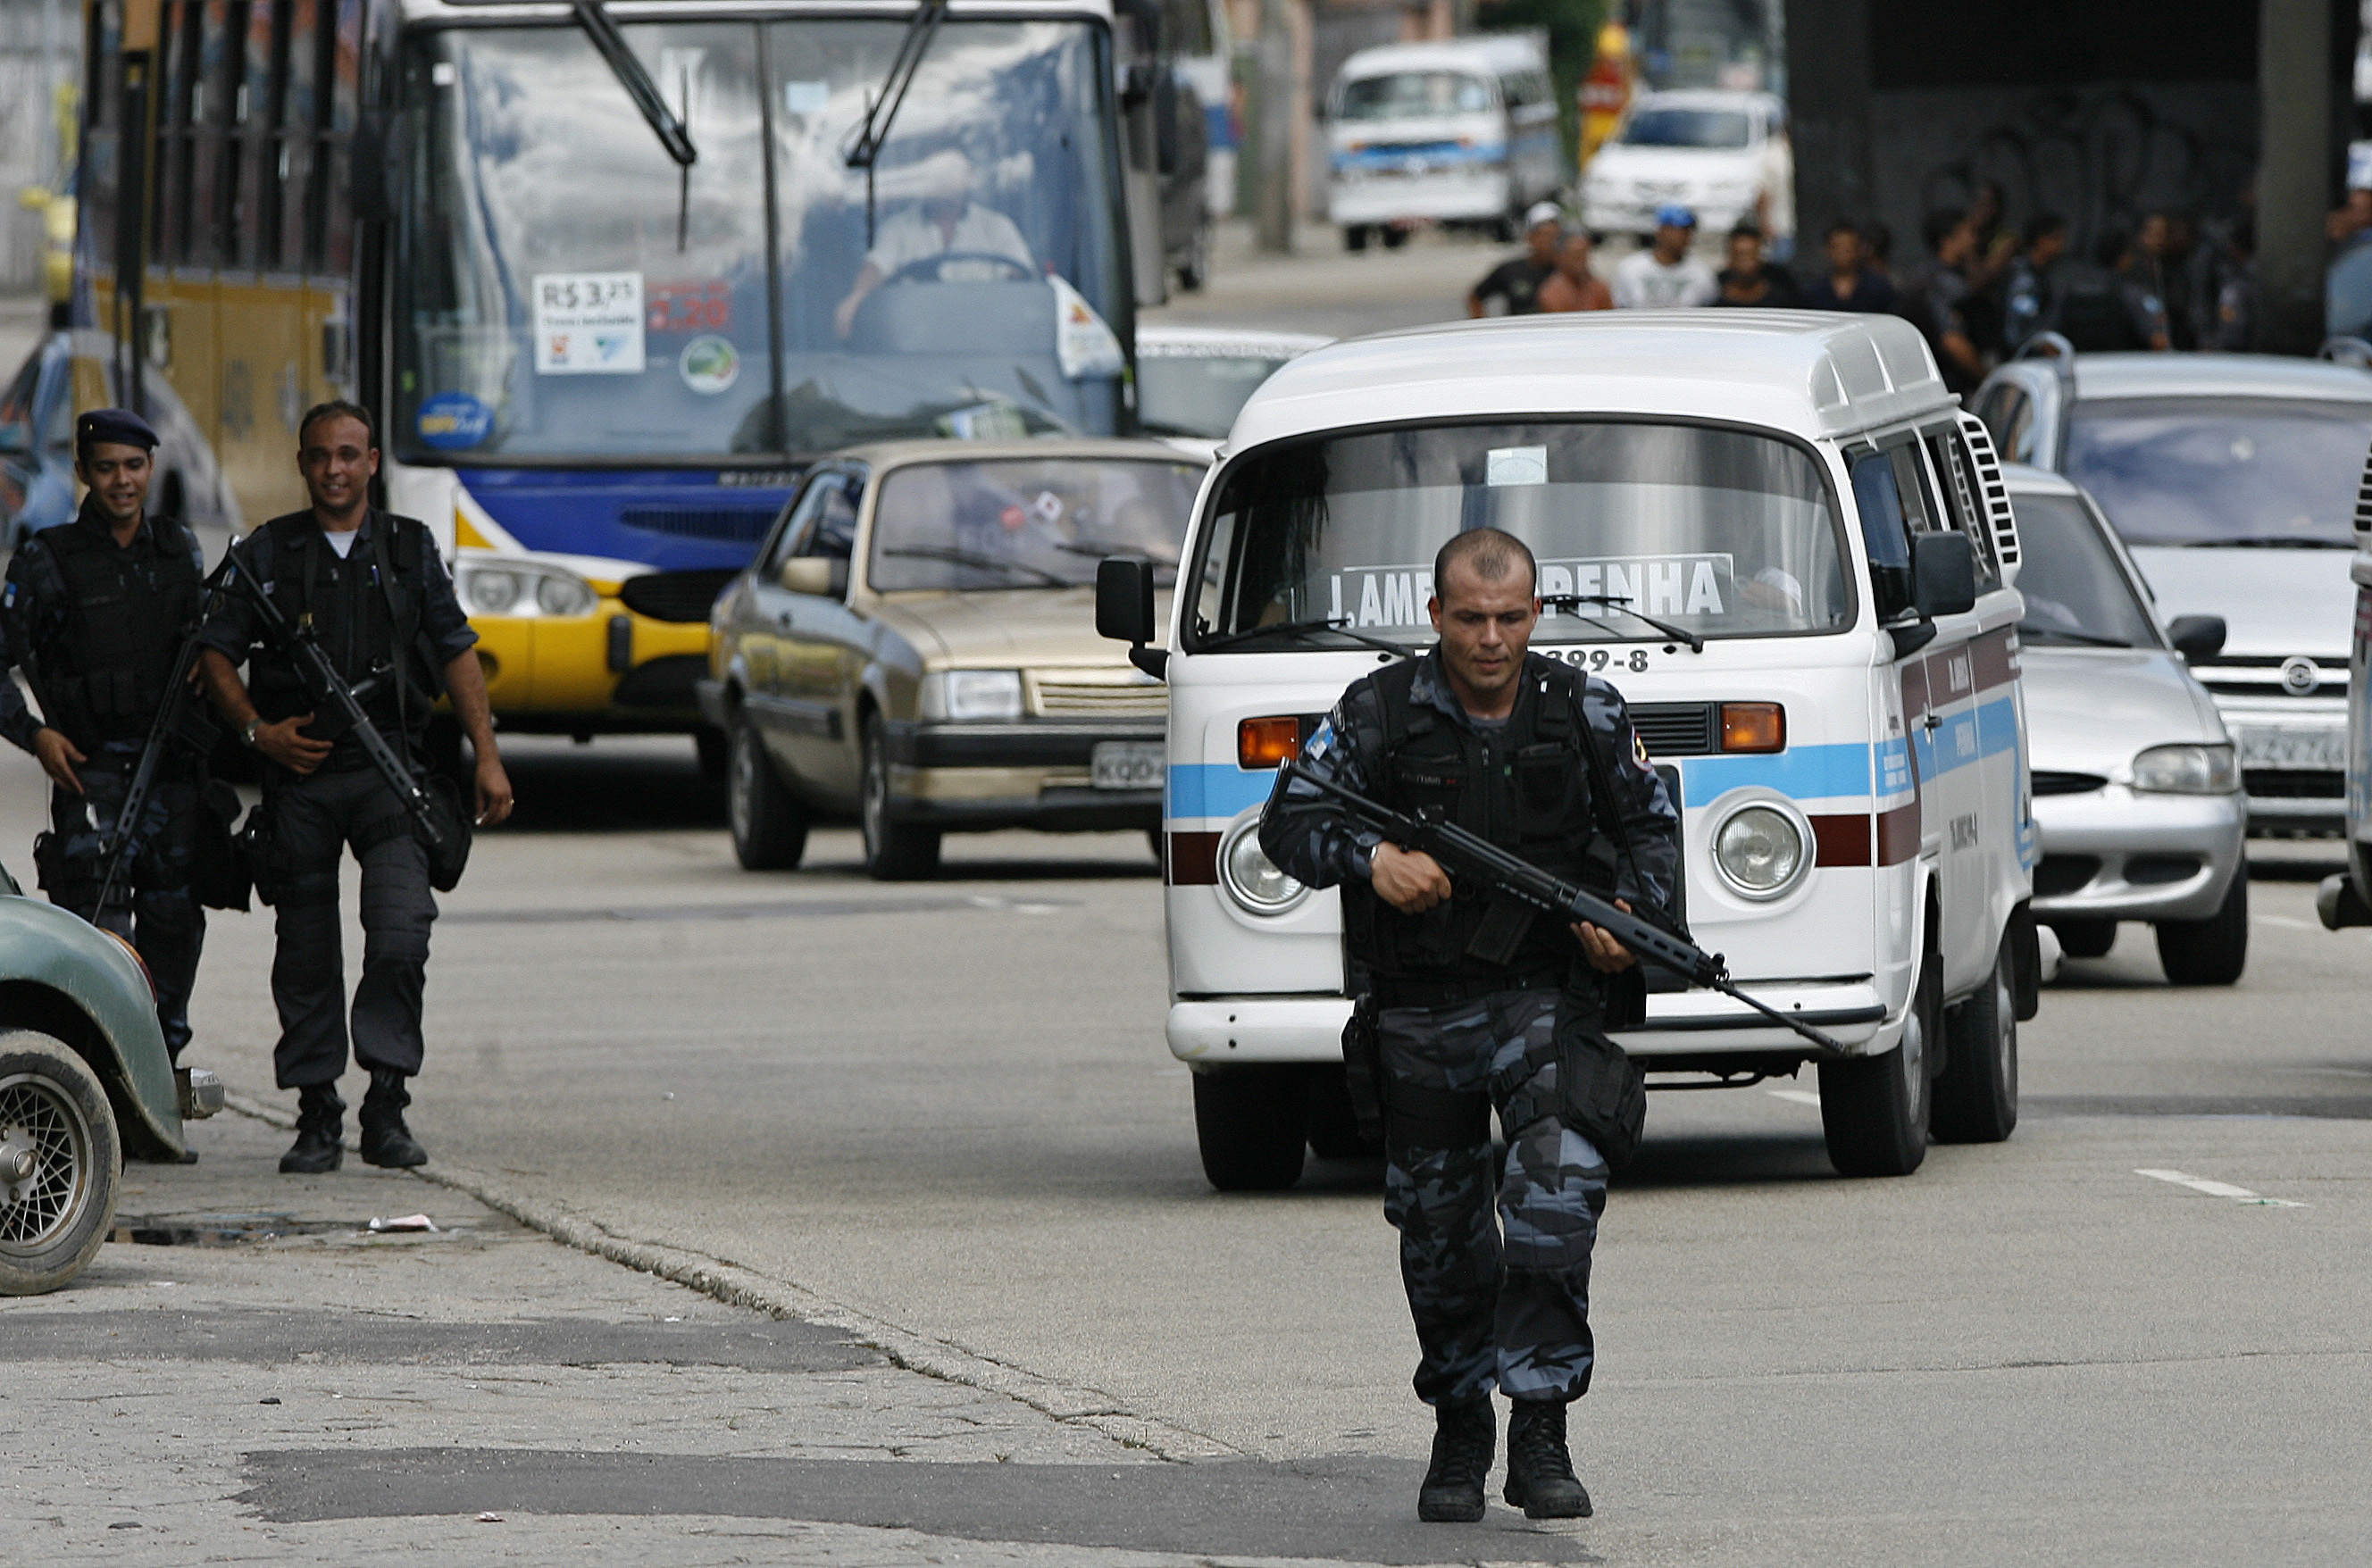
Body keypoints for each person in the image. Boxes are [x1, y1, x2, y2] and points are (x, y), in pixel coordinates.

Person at [1258, 529, 1681, 1525]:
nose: (1490, 638)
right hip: (1420, 1009)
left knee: (1557, 1186)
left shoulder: (1581, 707)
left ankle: (1540, 1422)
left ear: (1535, 615)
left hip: (1543, 999)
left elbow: (1650, 828)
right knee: (1440, 1235)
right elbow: (1286, 823)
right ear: (1435, 615)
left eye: (1509, 617)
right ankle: (1459, 1417)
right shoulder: (1379, 711)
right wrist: (1371, 859)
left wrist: (1630, 920)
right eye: (1469, 618)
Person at [195, 401, 514, 1174]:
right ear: (302, 464)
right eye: (319, 456)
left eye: (349, 454)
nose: (335, 469)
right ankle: (315, 1112)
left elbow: (457, 649)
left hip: (390, 775)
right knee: (305, 950)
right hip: (302, 778)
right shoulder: (270, 554)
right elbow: (212, 653)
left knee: (402, 934)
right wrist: (256, 732)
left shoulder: (408, 548)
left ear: (373, 462)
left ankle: (386, 1105)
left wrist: (488, 754)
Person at [0, 409, 210, 1064]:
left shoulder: (180, 550)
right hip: (88, 772)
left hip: (169, 772)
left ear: (151, 469)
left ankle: (162, 1070)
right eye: (108, 468)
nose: (123, 481)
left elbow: (211, 647)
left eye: (135, 466)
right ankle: (101, 1078)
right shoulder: (46, 559)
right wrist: (36, 736)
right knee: (98, 941)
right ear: (84, 473)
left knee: (174, 926)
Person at [833, 150, 1037, 338]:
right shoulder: (898, 229)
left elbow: (1022, 277)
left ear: (967, 182)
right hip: (914, 344)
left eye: (953, 178)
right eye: (940, 179)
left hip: (989, 343)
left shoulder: (997, 227)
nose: (947, 187)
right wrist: (856, 299)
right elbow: (876, 267)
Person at [1909, 207, 1986, 394]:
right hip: (1953, 385)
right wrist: (1987, 379)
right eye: (1967, 233)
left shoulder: (1953, 276)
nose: (1973, 240)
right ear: (1947, 241)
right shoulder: (1943, 283)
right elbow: (1953, 342)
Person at [1610, 205, 1716, 309]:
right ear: (1660, 231)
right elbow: (1620, 307)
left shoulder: (1701, 273)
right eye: (1677, 229)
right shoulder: (1631, 268)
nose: (1684, 236)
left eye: (1688, 230)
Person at [1468, 203, 1564, 317]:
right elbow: (1476, 296)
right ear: (1530, 237)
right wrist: (1482, 326)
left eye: (1554, 236)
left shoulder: (1567, 270)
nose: (1549, 241)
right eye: (1544, 235)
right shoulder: (1510, 270)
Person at [2000, 213, 2068, 351]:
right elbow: (2019, 324)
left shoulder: (2046, 272)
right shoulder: (2023, 277)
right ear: (2041, 240)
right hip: (2024, 353)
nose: (2061, 245)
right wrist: (2041, 347)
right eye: (2056, 239)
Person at [1800, 220, 1894, 313]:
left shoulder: (1878, 288)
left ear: (1859, 249)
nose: (1843, 254)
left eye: (1848, 248)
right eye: (1837, 247)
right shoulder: (1815, 291)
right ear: (1827, 250)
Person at [1710, 222, 1800, 307]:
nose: (1744, 262)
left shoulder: (1783, 291)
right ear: (1730, 256)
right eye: (1739, 255)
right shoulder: (1713, 291)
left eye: (1750, 255)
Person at [1535, 230, 1614, 313]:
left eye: (1584, 254)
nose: (1581, 261)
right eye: (1576, 255)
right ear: (1561, 257)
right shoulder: (1551, 293)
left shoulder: (1599, 288)